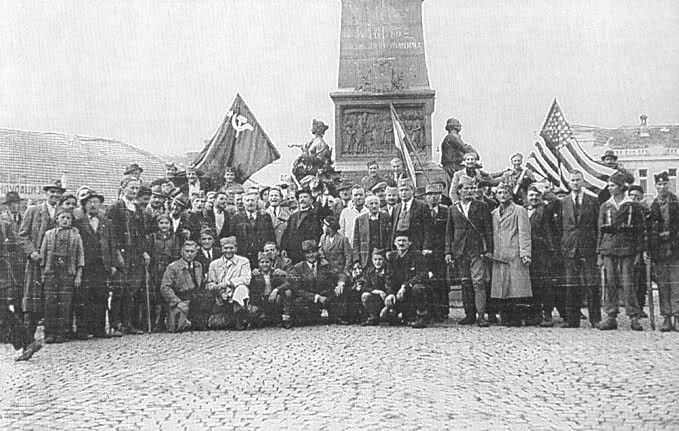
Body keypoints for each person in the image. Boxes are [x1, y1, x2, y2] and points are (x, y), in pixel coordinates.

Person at [596, 172, 645, 331]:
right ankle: (611, 316)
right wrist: (599, 252)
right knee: (610, 282)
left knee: (628, 282)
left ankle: (633, 317)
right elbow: (600, 231)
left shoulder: (633, 206)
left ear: (621, 187)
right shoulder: (606, 206)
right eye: (609, 185)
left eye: (613, 185)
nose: (610, 188)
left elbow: (640, 230)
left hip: (628, 248)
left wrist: (639, 251)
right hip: (609, 248)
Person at [19, 179, 65, 345]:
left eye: (58, 192)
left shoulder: (64, 211)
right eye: (52, 192)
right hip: (37, 262)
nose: (55, 195)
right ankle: (27, 337)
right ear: (46, 193)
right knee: (32, 300)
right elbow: (22, 235)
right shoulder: (34, 210)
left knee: (52, 298)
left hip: (56, 265)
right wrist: (32, 252)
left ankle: (51, 334)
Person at [553, 170, 601, 328]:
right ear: (568, 182)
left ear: (583, 181)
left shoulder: (593, 201)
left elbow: (597, 226)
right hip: (569, 248)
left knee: (592, 284)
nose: (575, 183)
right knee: (571, 285)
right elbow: (560, 227)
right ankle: (572, 320)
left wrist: (596, 246)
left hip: (588, 247)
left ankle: (595, 319)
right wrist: (564, 244)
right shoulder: (562, 202)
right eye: (572, 180)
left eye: (578, 180)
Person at [445, 177, 493, 326]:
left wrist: (489, 249)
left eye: (471, 188)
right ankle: (469, 315)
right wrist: (448, 252)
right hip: (460, 250)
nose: (469, 191)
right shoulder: (453, 208)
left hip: (477, 250)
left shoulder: (482, 206)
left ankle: (481, 316)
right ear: (459, 191)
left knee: (478, 283)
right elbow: (449, 232)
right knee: (465, 283)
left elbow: (488, 230)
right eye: (465, 189)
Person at [73, 190, 119, 339]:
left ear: (100, 205)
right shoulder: (78, 223)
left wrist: (112, 264)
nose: (93, 205)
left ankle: (99, 328)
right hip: (85, 265)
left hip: (101, 265)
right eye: (89, 202)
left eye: (96, 202)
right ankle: (83, 329)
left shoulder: (107, 223)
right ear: (84, 205)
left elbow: (112, 244)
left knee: (101, 296)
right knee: (84, 297)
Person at [107, 176, 147, 335]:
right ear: (123, 188)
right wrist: (116, 254)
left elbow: (141, 233)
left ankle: (128, 323)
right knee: (119, 289)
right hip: (121, 254)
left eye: (137, 189)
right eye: (132, 188)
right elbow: (111, 234)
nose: (135, 191)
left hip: (135, 255)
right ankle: (115, 324)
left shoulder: (137, 209)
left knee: (132, 289)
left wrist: (143, 251)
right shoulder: (115, 207)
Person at [490, 182, 532, 326]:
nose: (502, 195)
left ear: (510, 194)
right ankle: (505, 316)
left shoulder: (519, 211)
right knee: (502, 288)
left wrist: (525, 253)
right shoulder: (494, 213)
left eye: (505, 192)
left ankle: (516, 318)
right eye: (500, 193)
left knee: (516, 288)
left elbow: (524, 233)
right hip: (499, 254)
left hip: (515, 253)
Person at [39, 209, 84, 343]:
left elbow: (80, 257)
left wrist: (78, 275)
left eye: (68, 218)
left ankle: (62, 333)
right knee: (50, 302)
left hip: (68, 272)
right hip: (51, 272)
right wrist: (43, 273)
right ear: (57, 220)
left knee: (65, 303)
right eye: (62, 217)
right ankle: (49, 333)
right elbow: (43, 254)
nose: (65, 220)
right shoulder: (49, 234)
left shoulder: (76, 236)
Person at [279, 239, 338, 328]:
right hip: (308, 299)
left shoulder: (324, 265)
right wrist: (316, 297)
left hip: (325, 296)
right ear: (304, 255)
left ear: (317, 252)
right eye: (308, 253)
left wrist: (341, 283)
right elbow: (297, 289)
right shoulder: (298, 267)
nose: (311, 255)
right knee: (299, 305)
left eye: (313, 252)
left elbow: (338, 274)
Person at [648, 171, 679, 332]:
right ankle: (666, 317)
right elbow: (649, 230)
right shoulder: (652, 205)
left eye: (665, 184)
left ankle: (677, 315)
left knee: (676, 284)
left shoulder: (676, 202)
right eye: (659, 184)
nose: (662, 187)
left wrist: (671, 235)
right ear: (656, 186)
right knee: (663, 285)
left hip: (675, 250)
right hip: (659, 252)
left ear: (669, 184)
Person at [143, 213, 182, 332]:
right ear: (157, 224)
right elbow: (147, 251)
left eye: (166, 223)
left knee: (166, 294)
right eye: (161, 223)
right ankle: (153, 322)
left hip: (168, 270)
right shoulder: (152, 237)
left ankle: (163, 321)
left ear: (170, 225)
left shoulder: (174, 238)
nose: (164, 226)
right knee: (155, 295)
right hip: (155, 269)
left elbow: (176, 254)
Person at [382, 234, 430, 328]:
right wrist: (390, 293)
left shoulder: (417, 255)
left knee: (418, 288)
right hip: (398, 293)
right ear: (395, 243)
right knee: (386, 317)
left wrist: (405, 286)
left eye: (404, 241)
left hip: (412, 290)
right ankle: (402, 315)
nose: (401, 243)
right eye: (399, 241)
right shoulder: (392, 257)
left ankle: (421, 316)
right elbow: (388, 277)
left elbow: (422, 274)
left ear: (409, 243)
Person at [524, 185, 555, 327]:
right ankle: (535, 314)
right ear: (527, 197)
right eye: (531, 195)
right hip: (528, 252)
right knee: (532, 284)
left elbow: (549, 232)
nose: (534, 198)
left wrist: (550, 250)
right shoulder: (524, 211)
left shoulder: (545, 211)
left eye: (536, 195)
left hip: (542, 252)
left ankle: (547, 315)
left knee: (545, 285)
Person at [205, 236, 251, 330]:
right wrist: (216, 287)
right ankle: (229, 318)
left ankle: (238, 316)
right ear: (221, 249)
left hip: (237, 294)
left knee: (241, 288)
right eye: (225, 248)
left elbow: (246, 279)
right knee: (216, 324)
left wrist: (229, 283)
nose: (228, 251)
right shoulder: (214, 264)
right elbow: (211, 281)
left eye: (231, 248)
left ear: (236, 248)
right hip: (221, 296)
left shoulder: (243, 261)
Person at [160, 240, 201, 333]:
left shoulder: (198, 266)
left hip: (195, 300)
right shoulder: (173, 267)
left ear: (196, 252)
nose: (189, 254)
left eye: (192, 251)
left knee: (202, 324)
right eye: (187, 251)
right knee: (177, 326)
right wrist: (177, 302)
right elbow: (165, 287)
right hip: (180, 298)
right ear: (182, 252)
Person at [423, 184, 450, 321]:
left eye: (436, 194)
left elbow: (449, 232)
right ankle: (429, 310)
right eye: (430, 194)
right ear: (426, 197)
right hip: (426, 251)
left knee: (441, 280)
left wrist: (447, 251)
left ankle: (442, 311)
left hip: (441, 251)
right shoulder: (422, 211)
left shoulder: (446, 211)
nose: (433, 197)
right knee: (427, 279)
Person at [230, 192, 276, 268]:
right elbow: (232, 237)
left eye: (252, 200)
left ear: (257, 202)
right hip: (243, 255)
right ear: (244, 203)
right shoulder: (236, 218)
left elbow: (271, 236)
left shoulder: (265, 217)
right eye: (247, 200)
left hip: (261, 257)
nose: (250, 203)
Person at [281, 189, 322, 264]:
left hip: (307, 253)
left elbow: (317, 234)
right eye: (300, 197)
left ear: (311, 200)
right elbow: (286, 233)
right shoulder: (293, 216)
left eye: (305, 197)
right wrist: (283, 248)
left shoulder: (316, 215)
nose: (302, 199)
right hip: (292, 253)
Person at [391, 179, 432, 252]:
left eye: (406, 190)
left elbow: (427, 229)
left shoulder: (422, 207)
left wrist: (426, 247)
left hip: (416, 246)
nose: (403, 193)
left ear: (413, 191)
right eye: (401, 190)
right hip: (399, 247)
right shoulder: (396, 208)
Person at [628, 184, 650, 316]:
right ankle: (631, 307)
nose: (634, 199)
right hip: (627, 249)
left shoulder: (645, 212)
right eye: (632, 196)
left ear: (641, 197)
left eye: (637, 196)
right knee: (629, 279)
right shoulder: (625, 210)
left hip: (641, 249)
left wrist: (643, 250)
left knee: (641, 280)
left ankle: (640, 307)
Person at [353, 195, 392, 270]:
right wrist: (356, 260)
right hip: (366, 255)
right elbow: (356, 241)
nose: (374, 206)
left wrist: (388, 251)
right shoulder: (360, 220)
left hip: (382, 255)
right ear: (366, 205)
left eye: (376, 203)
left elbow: (390, 236)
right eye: (371, 204)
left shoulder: (386, 217)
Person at [248, 252, 286, 327]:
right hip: (260, 301)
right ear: (258, 263)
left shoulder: (275, 273)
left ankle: (276, 317)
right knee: (255, 316)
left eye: (267, 262)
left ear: (271, 263)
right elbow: (252, 290)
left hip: (272, 300)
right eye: (262, 262)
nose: (264, 264)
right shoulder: (256, 274)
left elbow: (285, 283)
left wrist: (276, 290)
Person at [359, 249, 389, 325]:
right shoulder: (370, 272)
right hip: (376, 299)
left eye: (380, 259)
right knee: (365, 295)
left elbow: (392, 286)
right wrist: (378, 291)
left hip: (387, 298)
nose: (377, 262)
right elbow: (365, 287)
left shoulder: (389, 271)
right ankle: (373, 316)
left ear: (384, 260)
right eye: (375, 260)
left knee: (388, 318)